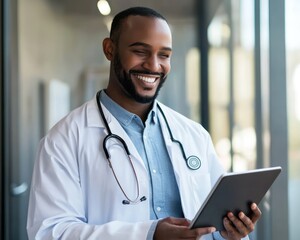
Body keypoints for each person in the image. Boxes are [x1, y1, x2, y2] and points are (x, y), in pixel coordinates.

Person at [27, 6, 261, 240]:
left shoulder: (193, 135)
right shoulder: (64, 139)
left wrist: (231, 232)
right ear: (110, 49)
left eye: (164, 55)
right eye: (140, 51)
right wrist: (148, 235)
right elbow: (50, 232)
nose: (153, 65)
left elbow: (212, 224)